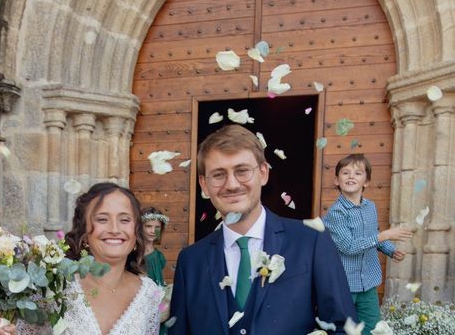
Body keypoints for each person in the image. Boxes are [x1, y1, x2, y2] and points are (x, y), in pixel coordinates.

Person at [169, 124, 357, 334]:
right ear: (204, 184)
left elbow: (344, 328)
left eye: (242, 171)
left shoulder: (311, 241)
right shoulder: (190, 261)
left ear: (263, 173)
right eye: (219, 175)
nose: (231, 184)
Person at [0, 182, 163, 335]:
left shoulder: (149, 294)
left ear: (136, 231)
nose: (114, 228)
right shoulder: (55, 285)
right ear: (84, 233)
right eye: (102, 219)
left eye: (125, 219)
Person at [323, 154, 413, 335]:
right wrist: (384, 235)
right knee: (342, 330)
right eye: (345, 173)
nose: (351, 176)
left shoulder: (370, 207)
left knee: (372, 329)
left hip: (368, 282)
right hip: (344, 285)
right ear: (337, 181)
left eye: (357, 173)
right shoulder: (336, 213)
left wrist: (390, 249)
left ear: (366, 182)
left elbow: (373, 234)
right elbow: (349, 247)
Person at [141, 207, 171, 335]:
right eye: (148, 226)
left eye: (157, 227)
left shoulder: (158, 256)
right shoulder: (135, 254)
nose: (153, 231)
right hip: (143, 306)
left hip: (158, 304)